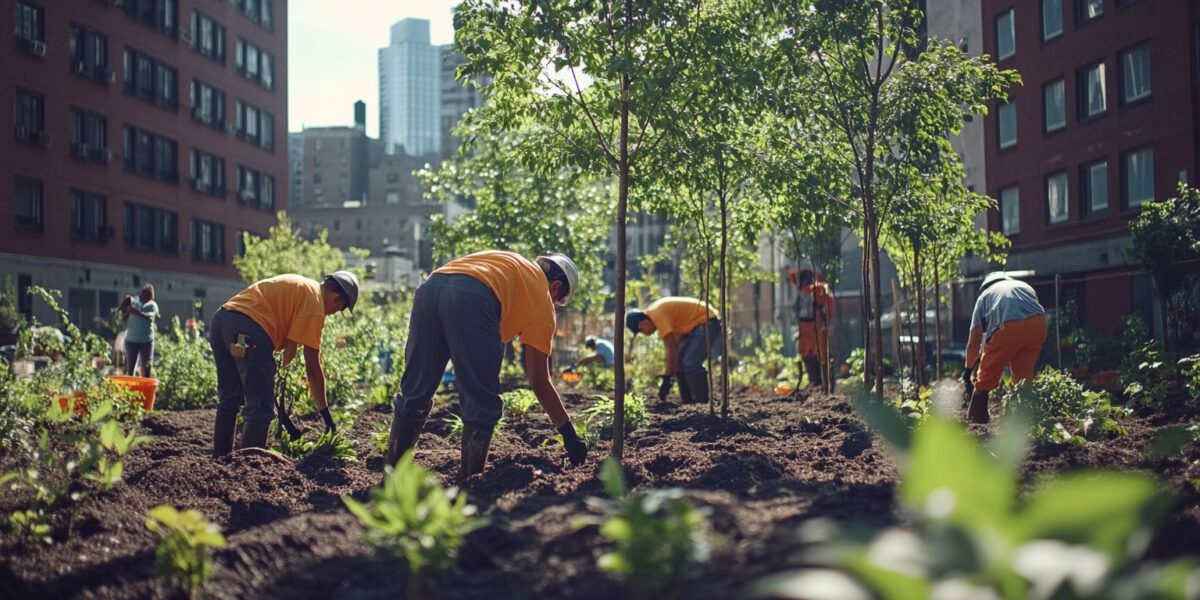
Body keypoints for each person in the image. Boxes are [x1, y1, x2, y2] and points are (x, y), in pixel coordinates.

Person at [384, 250, 588, 479]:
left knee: (415, 392)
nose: (554, 305)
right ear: (556, 287)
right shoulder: (542, 300)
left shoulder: (510, 264)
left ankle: (392, 479)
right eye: (557, 301)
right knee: (482, 402)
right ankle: (470, 482)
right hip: (473, 298)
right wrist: (570, 437)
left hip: (430, 289)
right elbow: (539, 381)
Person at [209, 271, 359, 457]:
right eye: (338, 310)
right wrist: (327, 417)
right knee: (260, 406)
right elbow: (312, 369)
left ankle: (220, 461)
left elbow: (289, 347)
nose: (332, 314)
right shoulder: (315, 305)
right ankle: (247, 469)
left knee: (229, 397)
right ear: (337, 300)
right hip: (250, 330)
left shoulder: (304, 287)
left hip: (221, 322)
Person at [965, 272, 1047, 424]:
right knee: (1024, 380)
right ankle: (1026, 423)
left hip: (1008, 326)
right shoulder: (1024, 286)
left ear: (985, 286)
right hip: (1039, 323)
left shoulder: (984, 296)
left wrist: (968, 369)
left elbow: (974, 339)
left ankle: (975, 423)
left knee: (984, 379)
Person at [625, 296, 723, 405]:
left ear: (642, 324)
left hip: (707, 321)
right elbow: (675, 351)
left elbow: (671, 349)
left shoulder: (657, 315)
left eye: (641, 331)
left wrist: (667, 378)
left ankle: (703, 403)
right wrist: (674, 370)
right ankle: (688, 403)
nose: (644, 334)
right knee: (680, 362)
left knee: (690, 363)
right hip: (697, 325)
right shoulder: (657, 313)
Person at [788, 268, 835, 389]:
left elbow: (828, 308)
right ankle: (813, 380)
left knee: (817, 353)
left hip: (816, 325)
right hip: (805, 326)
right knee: (806, 353)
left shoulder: (818, 289)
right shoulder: (803, 294)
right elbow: (795, 310)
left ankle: (820, 380)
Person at [122, 284, 159, 378]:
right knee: (130, 368)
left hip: (146, 341)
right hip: (131, 340)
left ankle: (145, 388)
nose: (142, 297)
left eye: (145, 296)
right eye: (141, 295)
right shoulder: (134, 302)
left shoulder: (152, 305)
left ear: (150, 297)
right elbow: (123, 318)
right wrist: (127, 312)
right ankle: (130, 389)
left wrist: (136, 312)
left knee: (146, 367)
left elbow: (149, 316)